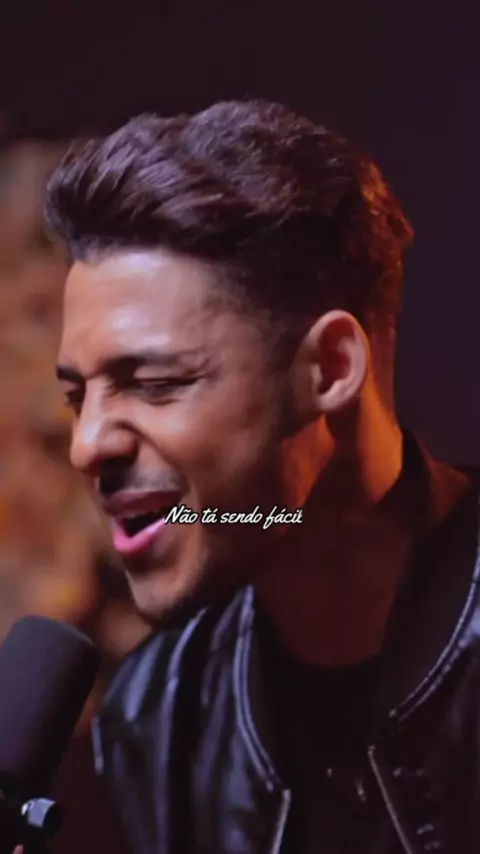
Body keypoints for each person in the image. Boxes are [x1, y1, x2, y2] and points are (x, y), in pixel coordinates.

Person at [44, 99, 480, 854]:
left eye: (155, 382)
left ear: (330, 370)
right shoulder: (158, 724)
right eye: (78, 397)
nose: (88, 446)